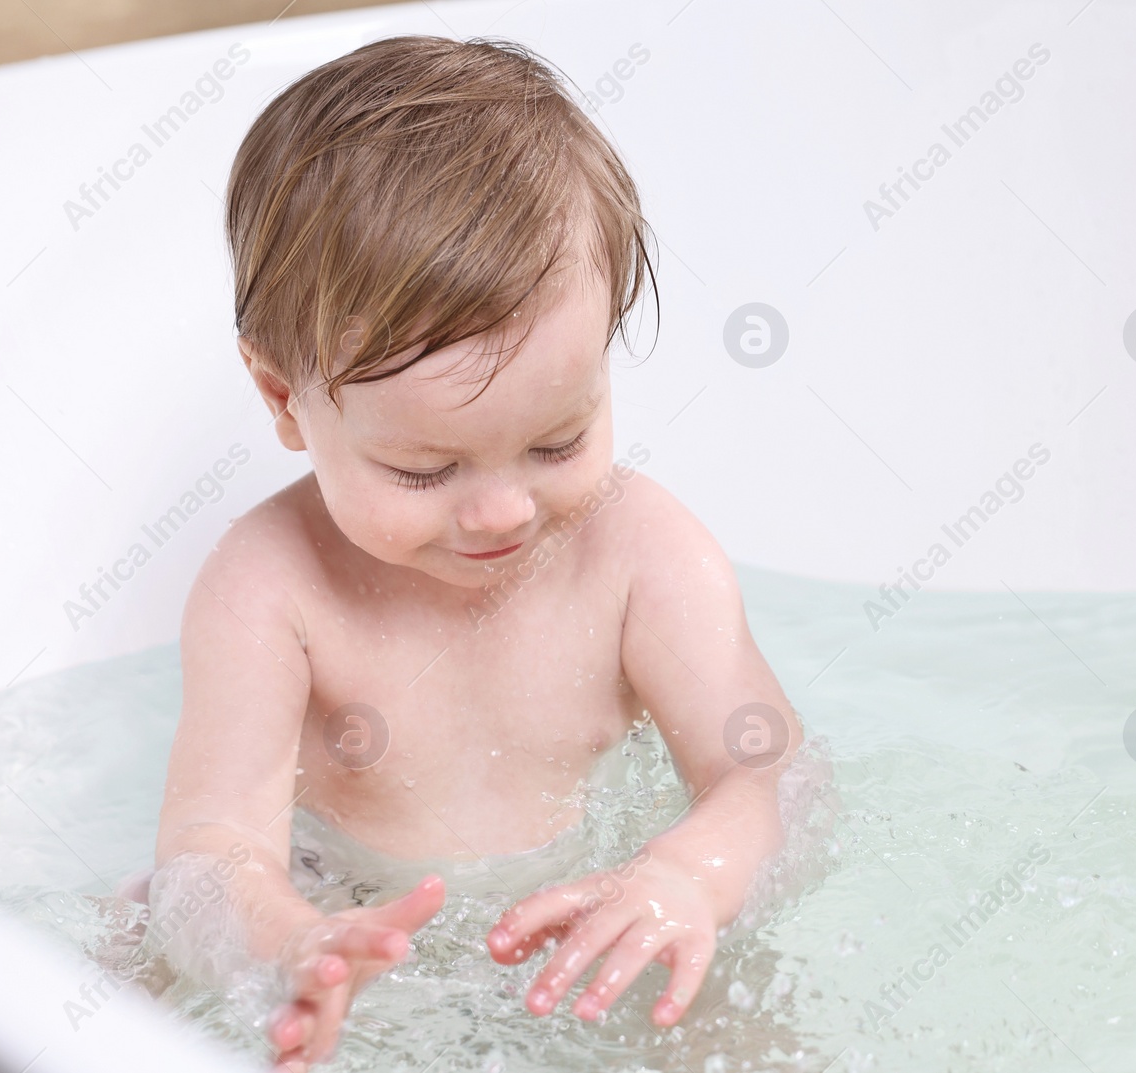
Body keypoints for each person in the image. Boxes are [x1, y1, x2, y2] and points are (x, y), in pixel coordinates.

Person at [152, 34, 803, 1071]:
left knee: (757, 1039)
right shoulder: (269, 585)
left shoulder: (640, 555)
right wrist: (287, 940)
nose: (501, 510)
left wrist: (691, 872)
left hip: (602, 917)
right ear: (284, 398)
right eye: (424, 469)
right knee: (122, 961)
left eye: (557, 441)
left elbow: (775, 779)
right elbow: (207, 852)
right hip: (339, 916)